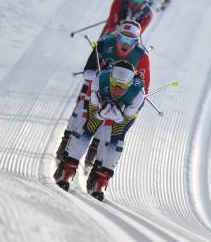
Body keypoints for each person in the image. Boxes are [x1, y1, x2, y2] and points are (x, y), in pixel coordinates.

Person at [55, 21, 151, 162]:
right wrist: (101, 75)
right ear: (116, 36)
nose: (125, 43)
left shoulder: (142, 56)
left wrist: (132, 102)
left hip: (121, 96)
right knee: (85, 119)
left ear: (137, 41)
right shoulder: (104, 44)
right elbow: (88, 71)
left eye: (131, 41)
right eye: (122, 38)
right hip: (98, 89)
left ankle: (96, 155)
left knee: (110, 126)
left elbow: (144, 87)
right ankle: (67, 147)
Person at [54, 60, 146, 202]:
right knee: (87, 130)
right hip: (100, 103)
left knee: (116, 139)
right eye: (114, 84)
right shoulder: (100, 80)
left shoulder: (138, 94)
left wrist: (119, 118)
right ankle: (67, 170)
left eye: (122, 87)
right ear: (110, 78)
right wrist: (101, 114)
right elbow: (94, 113)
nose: (116, 90)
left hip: (125, 111)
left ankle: (102, 181)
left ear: (130, 84)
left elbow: (123, 123)